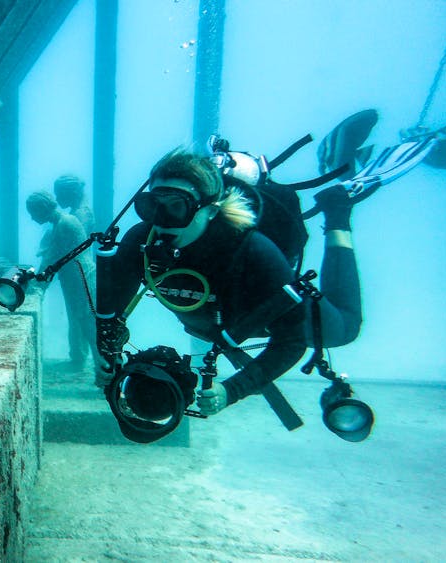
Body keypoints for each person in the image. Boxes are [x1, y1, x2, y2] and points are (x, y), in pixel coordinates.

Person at [100, 148, 364, 416]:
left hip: (264, 315)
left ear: (212, 210)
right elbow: (110, 315)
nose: (161, 221)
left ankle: (337, 216)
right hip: (212, 324)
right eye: (152, 206)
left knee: (346, 329)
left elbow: (291, 342)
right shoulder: (140, 243)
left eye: (177, 207)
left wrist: (232, 390)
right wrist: (108, 355)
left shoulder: (253, 252)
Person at [26, 191, 100, 375]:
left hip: (81, 280)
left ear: (42, 209)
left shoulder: (64, 224)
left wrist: (38, 288)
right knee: (82, 321)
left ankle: (104, 371)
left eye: (33, 213)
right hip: (76, 280)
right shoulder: (61, 223)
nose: (32, 218)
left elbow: (52, 259)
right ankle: (94, 365)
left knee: (89, 326)